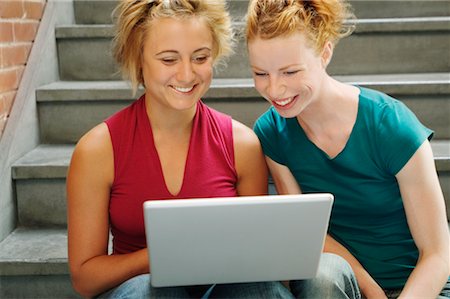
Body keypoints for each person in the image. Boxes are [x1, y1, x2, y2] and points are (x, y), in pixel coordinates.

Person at [67, 1, 359, 298]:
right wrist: (158, 257)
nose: (186, 74)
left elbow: (260, 260)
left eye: (200, 57)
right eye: (168, 60)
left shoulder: (242, 145)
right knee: (149, 291)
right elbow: (85, 278)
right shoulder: (98, 150)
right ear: (138, 59)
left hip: (226, 290)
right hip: (145, 292)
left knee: (256, 291)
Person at [245, 0, 450, 298]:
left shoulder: (391, 124)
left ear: (325, 53)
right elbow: (307, 232)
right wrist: (371, 290)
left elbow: (437, 253)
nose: (274, 89)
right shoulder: (272, 131)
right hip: (344, 283)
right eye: (261, 74)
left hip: (420, 286)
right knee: (324, 274)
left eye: (290, 72)